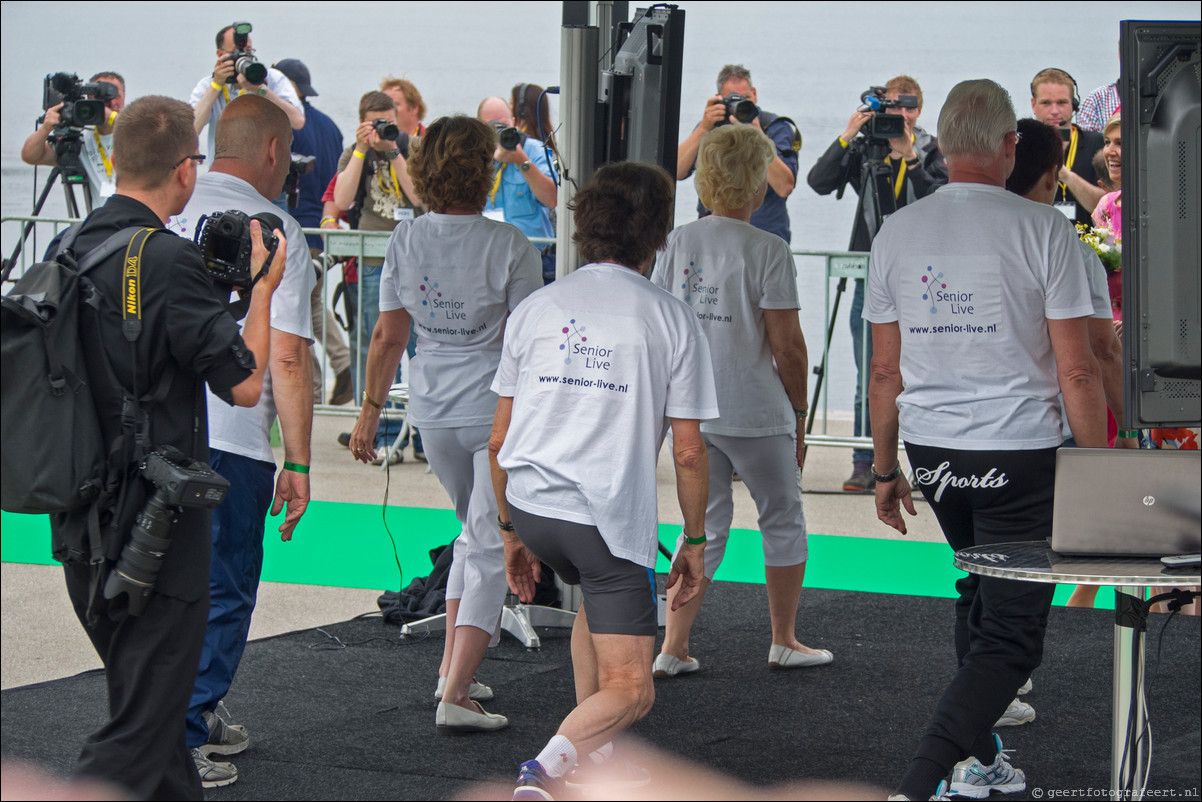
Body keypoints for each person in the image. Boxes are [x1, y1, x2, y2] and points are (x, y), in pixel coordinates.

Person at [866, 79, 1105, 801]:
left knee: (979, 593)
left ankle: (983, 760)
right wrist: (1099, 477)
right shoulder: (1045, 230)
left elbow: (884, 369)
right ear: (1009, 146)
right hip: (1023, 455)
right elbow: (1079, 370)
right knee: (1010, 636)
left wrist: (883, 470)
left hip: (935, 455)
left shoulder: (898, 231)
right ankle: (918, 781)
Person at [48, 95, 286, 800]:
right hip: (155, 525)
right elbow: (243, 387)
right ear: (187, 171)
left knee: (150, 723)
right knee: (142, 730)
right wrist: (263, 289)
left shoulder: (71, 247)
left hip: (77, 514)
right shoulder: (167, 261)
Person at [489, 161, 718, 800]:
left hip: (533, 506)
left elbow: (498, 439)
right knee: (634, 689)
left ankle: (594, 758)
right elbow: (691, 452)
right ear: (658, 234)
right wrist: (694, 541)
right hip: (602, 520)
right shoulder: (670, 319)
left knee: (597, 601)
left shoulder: (537, 307)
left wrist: (509, 531)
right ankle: (543, 772)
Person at [347, 115, 542, 733]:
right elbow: (526, 343)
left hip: (430, 410)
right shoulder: (510, 245)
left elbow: (387, 335)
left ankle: (451, 669)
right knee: (485, 543)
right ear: (483, 171)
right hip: (493, 413)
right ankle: (456, 695)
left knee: (471, 535)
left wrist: (371, 409)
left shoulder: (406, 239)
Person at [651, 124, 831, 678]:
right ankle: (783, 638)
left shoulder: (678, 240)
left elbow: (661, 325)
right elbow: (788, 346)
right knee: (782, 517)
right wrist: (800, 413)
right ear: (759, 185)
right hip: (754, 410)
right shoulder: (769, 249)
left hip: (692, 410)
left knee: (701, 522)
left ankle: (673, 646)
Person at [174, 94, 315, 788]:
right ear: (271, 151)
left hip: (155, 423)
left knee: (162, 578)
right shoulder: (279, 227)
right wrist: (297, 457)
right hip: (233, 431)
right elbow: (285, 358)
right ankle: (189, 724)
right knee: (225, 584)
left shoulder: (164, 206)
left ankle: (188, 707)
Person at [805, 74, 947, 493]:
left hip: (923, 277)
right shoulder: (866, 146)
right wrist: (849, 133)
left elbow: (939, 201)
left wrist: (910, 157)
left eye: (910, 106)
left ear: (919, 109)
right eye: (893, 106)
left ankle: (924, 461)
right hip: (871, 271)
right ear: (880, 106)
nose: (901, 114)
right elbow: (818, 181)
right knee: (873, 368)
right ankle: (864, 461)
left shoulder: (934, 149)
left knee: (925, 370)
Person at [333, 90, 423, 462]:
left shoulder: (411, 147)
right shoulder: (354, 151)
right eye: (377, 122)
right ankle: (384, 433)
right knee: (377, 345)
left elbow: (418, 197)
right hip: (372, 258)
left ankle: (420, 437)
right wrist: (359, 150)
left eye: (390, 120)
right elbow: (340, 199)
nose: (387, 128)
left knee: (418, 347)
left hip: (413, 257)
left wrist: (393, 150)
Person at [272, 57, 352, 406]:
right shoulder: (331, 127)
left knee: (295, 308)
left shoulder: (288, 124)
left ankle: (316, 386)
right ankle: (341, 364)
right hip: (321, 226)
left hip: (294, 225)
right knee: (311, 300)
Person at [677, 64, 801, 244]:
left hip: (764, 235)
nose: (740, 106)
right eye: (733, 100)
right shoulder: (712, 127)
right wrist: (703, 128)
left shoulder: (774, 127)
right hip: (714, 234)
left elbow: (785, 186)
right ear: (719, 98)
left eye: (745, 99)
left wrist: (758, 136)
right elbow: (677, 171)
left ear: (755, 94)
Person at [189, 23, 305, 162]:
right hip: (224, 173)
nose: (244, 57)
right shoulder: (209, 85)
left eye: (248, 50)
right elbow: (191, 132)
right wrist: (216, 85)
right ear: (220, 55)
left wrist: (260, 90)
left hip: (265, 175)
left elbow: (298, 122)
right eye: (236, 52)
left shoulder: (272, 78)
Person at [478, 91, 558, 283]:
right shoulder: (474, 157)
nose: (498, 132)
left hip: (533, 260)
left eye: (503, 126)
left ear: (514, 122)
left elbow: (552, 199)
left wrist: (522, 161)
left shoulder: (535, 151)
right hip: (486, 262)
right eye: (491, 126)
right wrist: (488, 164)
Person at [21, 71, 126, 207]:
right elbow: (30, 156)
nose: (110, 102)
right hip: (103, 223)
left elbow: (154, 136)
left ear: (124, 97)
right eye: (101, 98)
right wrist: (46, 128)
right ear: (89, 98)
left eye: (115, 96)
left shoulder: (137, 133)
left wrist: (111, 117)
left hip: (139, 223)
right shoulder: (80, 138)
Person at [1028, 68, 1105, 226]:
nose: (1054, 111)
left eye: (1062, 103)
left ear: (1074, 105)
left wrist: (1066, 176)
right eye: (1046, 103)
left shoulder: (1097, 144)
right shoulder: (1021, 146)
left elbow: (1107, 207)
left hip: (1088, 245)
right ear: (1033, 105)